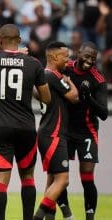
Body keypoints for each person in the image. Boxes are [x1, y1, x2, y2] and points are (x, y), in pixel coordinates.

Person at [0, 3, 52, 219]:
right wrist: (30, 88)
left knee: (0, 182)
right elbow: (46, 97)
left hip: (1, 128)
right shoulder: (33, 63)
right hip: (26, 127)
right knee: (27, 178)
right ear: (19, 40)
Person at [57, 42, 108, 220]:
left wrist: (89, 98)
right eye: (87, 56)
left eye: (93, 58)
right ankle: (67, 214)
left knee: (87, 178)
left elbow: (103, 113)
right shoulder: (66, 68)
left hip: (87, 132)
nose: (89, 61)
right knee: (60, 177)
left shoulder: (98, 79)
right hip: (65, 131)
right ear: (78, 53)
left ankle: (89, 217)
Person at [33, 41, 79, 220]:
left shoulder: (45, 76)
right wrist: (70, 83)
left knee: (52, 180)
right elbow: (74, 97)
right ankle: (37, 217)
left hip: (49, 132)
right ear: (53, 57)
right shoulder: (52, 75)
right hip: (54, 134)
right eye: (65, 56)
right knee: (63, 180)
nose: (68, 60)